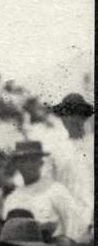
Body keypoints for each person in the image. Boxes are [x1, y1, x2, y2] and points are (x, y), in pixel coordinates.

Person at [1, 140, 85, 243]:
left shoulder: (56, 190)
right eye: (23, 161)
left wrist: (66, 241)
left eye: (33, 160)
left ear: (41, 163)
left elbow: (74, 225)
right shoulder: (12, 198)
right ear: (17, 165)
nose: (29, 165)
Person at [45, 92, 94, 231]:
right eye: (67, 114)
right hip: (66, 220)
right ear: (62, 118)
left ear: (84, 117)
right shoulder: (55, 150)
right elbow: (49, 186)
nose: (72, 119)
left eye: (77, 114)